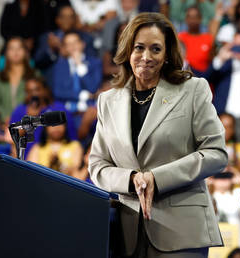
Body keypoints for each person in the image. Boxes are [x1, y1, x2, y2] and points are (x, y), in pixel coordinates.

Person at [88, 12, 227, 257]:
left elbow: (216, 154)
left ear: (166, 55)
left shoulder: (193, 90)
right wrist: (132, 179)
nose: (146, 57)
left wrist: (157, 178)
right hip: (126, 234)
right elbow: (98, 165)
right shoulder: (108, 101)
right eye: (139, 48)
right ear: (127, 51)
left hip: (182, 231)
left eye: (155, 49)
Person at [0, 37, 36, 122]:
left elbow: (37, 100)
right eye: (11, 48)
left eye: (19, 48)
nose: (15, 52)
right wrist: (5, 117)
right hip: (4, 122)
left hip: (28, 122)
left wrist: (20, 117)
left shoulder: (34, 75)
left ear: (25, 51)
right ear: (6, 52)